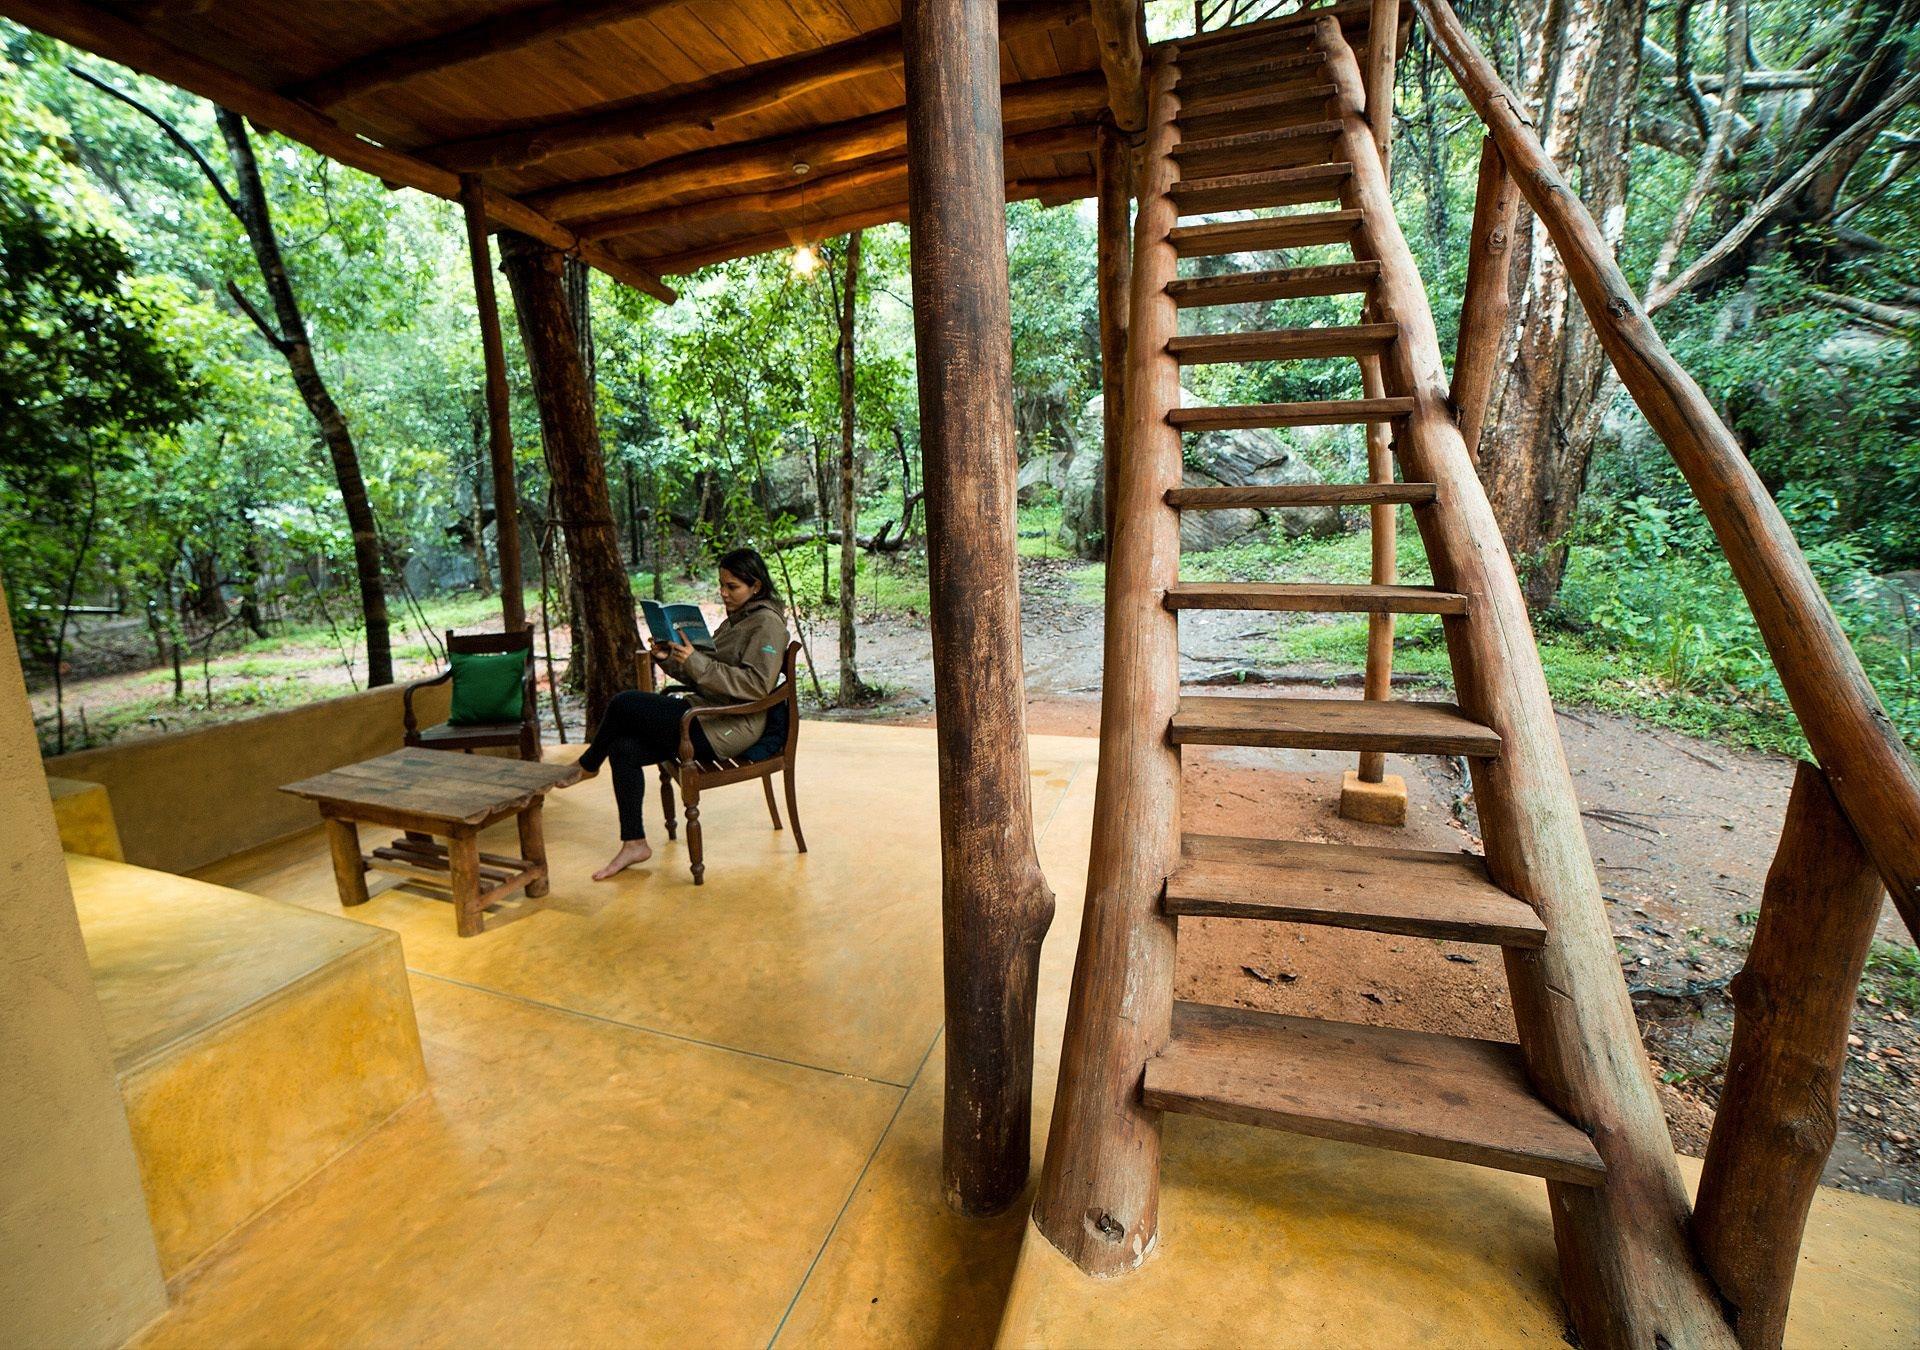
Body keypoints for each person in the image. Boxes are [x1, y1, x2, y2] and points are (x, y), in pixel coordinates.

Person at [575, 548, 790, 881]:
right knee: (623, 750)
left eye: (731, 587)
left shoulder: (767, 625)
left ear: (756, 587)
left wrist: (697, 662)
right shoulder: (738, 620)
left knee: (624, 703)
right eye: (721, 585)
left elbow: (755, 686)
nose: (723, 593)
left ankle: (587, 765)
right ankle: (634, 842)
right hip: (706, 712)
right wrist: (669, 658)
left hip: (731, 725)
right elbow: (703, 673)